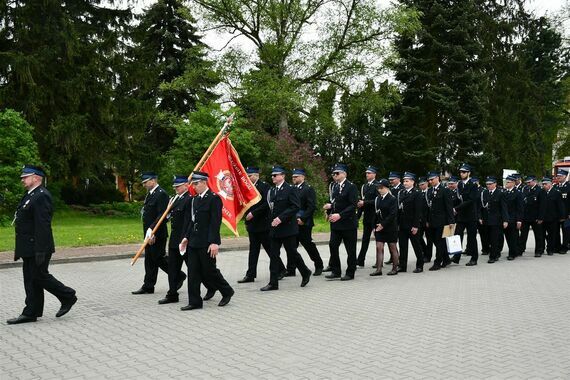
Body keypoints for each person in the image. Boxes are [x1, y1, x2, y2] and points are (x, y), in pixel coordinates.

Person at [7, 165, 77, 325]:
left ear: (36, 177)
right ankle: (32, 312)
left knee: (39, 276)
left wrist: (40, 250)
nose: (22, 180)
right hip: (28, 246)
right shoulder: (30, 195)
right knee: (32, 279)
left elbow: (43, 225)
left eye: (25, 177)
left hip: (37, 246)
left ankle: (68, 296)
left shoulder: (41, 196)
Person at [178, 172, 234, 309]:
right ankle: (195, 302)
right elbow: (193, 221)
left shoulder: (214, 199)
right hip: (193, 241)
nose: (194, 186)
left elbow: (215, 222)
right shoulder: (195, 199)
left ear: (204, 182)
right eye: (193, 184)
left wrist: (214, 242)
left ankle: (227, 291)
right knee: (193, 272)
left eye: (196, 183)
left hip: (206, 242)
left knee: (209, 271)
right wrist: (186, 237)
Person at [260, 166, 311, 291]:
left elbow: (295, 206)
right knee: (274, 255)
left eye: (275, 175)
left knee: (292, 253)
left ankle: (305, 272)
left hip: (287, 228)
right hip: (275, 229)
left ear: (282, 176)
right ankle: (273, 283)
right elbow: (271, 208)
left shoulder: (290, 189)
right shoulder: (272, 190)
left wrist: (281, 218)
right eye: (272, 175)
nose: (273, 177)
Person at [238, 167, 286, 283]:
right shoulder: (246, 187)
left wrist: (254, 213)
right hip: (252, 224)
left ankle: (281, 269)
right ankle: (250, 275)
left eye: (250, 176)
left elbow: (267, 204)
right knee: (253, 250)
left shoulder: (265, 187)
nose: (248, 178)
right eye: (247, 176)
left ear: (256, 175)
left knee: (270, 249)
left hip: (263, 224)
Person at [132, 172, 170, 295]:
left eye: (146, 182)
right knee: (149, 260)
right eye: (143, 182)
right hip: (149, 232)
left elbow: (162, 215)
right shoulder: (150, 194)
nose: (144, 185)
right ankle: (148, 286)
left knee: (158, 258)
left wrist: (153, 231)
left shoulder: (161, 194)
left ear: (153, 180)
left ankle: (177, 275)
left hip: (157, 233)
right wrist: (149, 232)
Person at [155, 176, 191, 304]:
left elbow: (188, 222)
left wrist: (185, 238)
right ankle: (172, 295)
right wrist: (152, 228)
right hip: (175, 240)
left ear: (186, 185)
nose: (176, 189)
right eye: (175, 187)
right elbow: (166, 216)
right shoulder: (175, 199)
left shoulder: (189, 199)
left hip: (185, 241)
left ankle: (212, 286)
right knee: (173, 269)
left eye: (178, 186)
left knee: (195, 269)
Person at [324, 163, 359, 281]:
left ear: (344, 174)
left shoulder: (351, 187)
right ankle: (336, 270)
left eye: (337, 173)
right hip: (336, 224)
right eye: (333, 173)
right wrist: (329, 211)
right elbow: (334, 202)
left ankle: (350, 272)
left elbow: (352, 205)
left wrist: (340, 215)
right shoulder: (334, 186)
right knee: (332, 245)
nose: (334, 175)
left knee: (350, 250)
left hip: (348, 223)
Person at [292, 168, 324, 275]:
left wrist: (303, 219)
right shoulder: (292, 188)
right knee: (291, 246)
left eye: (296, 176)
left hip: (304, 222)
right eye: (293, 177)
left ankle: (318, 264)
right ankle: (291, 268)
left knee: (307, 245)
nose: (294, 178)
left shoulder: (308, 189)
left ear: (302, 177)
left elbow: (311, 207)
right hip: (293, 222)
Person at [425, 171, 455, 271]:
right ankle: (446, 259)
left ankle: (437, 262)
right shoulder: (429, 191)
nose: (430, 181)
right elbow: (429, 207)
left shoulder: (445, 190)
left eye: (432, 179)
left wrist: (451, 221)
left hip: (442, 221)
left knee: (440, 241)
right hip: (432, 221)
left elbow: (449, 206)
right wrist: (427, 220)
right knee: (435, 240)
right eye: (429, 180)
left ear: (438, 178)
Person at [370, 179, 399, 276]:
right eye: (378, 187)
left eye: (381, 187)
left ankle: (395, 268)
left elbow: (392, 214)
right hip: (379, 227)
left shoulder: (392, 199)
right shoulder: (377, 199)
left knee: (392, 247)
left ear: (386, 188)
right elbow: (375, 213)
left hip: (390, 227)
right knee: (379, 247)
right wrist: (373, 226)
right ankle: (379, 269)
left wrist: (383, 224)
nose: (379, 189)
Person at [396, 172, 424, 273]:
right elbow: (399, 210)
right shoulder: (402, 193)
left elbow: (418, 211)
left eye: (407, 181)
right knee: (403, 246)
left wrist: (416, 225)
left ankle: (420, 265)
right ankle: (402, 266)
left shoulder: (417, 193)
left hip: (412, 224)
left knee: (416, 245)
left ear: (412, 182)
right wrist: (398, 223)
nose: (405, 182)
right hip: (403, 224)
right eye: (404, 181)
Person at [454, 164, 479, 266]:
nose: (461, 174)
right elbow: (458, 198)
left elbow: (470, 200)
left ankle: (474, 258)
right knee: (457, 235)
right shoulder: (459, 184)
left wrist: (456, 208)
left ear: (469, 173)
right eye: (460, 172)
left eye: (464, 172)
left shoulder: (473, 185)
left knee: (472, 237)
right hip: (461, 216)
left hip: (471, 215)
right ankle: (456, 256)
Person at [479, 176, 508, 263]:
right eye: (487, 184)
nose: (488, 186)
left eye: (490, 184)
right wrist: (480, 217)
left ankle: (493, 256)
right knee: (487, 238)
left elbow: (504, 208)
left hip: (496, 220)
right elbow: (481, 207)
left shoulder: (500, 193)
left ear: (495, 184)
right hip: (486, 219)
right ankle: (495, 253)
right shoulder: (484, 193)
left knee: (494, 238)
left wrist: (505, 220)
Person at [519, 176, 546, 257]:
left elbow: (542, 205)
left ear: (534, 181)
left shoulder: (540, 190)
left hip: (536, 217)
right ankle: (520, 250)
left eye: (529, 182)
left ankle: (539, 250)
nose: (528, 184)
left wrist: (541, 217)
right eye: (527, 182)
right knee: (523, 235)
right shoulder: (525, 189)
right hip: (526, 216)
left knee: (538, 235)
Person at [356, 166, 378, 267]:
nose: (367, 175)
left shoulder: (378, 185)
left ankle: (380, 260)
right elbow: (361, 202)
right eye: (366, 173)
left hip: (376, 216)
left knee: (379, 240)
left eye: (369, 173)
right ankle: (360, 260)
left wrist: (365, 203)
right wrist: (357, 216)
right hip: (367, 216)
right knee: (365, 239)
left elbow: (378, 201)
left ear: (374, 174)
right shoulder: (364, 186)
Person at [542, 177, 565, 255]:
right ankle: (542, 248)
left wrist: (562, 216)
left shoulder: (556, 193)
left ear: (550, 184)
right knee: (542, 234)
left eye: (545, 184)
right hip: (543, 217)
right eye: (543, 184)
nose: (544, 186)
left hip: (553, 218)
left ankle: (550, 249)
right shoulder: (542, 192)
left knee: (552, 234)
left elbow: (560, 205)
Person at [417, 177, 432, 263]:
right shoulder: (419, 193)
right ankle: (425, 251)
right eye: (419, 185)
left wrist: (428, 220)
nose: (421, 186)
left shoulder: (430, 192)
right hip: (420, 220)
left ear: (427, 184)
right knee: (418, 237)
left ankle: (428, 256)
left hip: (427, 220)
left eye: (422, 184)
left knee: (429, 239)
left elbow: (429, 209)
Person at [554, 169, 569, 254]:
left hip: (566, 214)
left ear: (565, 177)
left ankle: (565, 247)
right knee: (556, 231)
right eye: (557, 176)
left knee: (566, 231)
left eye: (560, 176)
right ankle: (557, 246)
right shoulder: (555, 187)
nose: (558, 177)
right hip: (556, 214)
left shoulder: (568, 186)